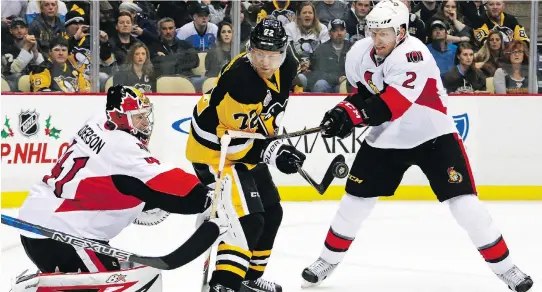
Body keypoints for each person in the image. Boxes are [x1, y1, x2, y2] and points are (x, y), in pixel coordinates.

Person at [300, 1, 533, 292]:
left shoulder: (414, 55)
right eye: (373, 32)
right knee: (354, 203)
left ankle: (507, 268)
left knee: (465, 206)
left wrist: (352, 116)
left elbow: (392, 105)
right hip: (386, 137)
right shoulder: (360, 52)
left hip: (432, 135)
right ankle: (327, 260)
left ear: (400, 31)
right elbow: (363, 95)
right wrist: (341, 111)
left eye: (383, 33)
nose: (376, 40)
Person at [12, 85, 246, 292]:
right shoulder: (122, 146)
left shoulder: (97, 122)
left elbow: (110, 178)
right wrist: (207, 198)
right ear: (120, 118)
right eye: (137, 118)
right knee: (120, 285)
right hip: (65, 235)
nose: (145, 124)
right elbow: (167, 180)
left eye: (145, 116)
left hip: (41, 223)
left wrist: (134, 203)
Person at [186, 18, 303, 292]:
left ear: (283, 53)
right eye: (259, 54)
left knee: (272, 212)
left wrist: (277, 143)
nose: (264, 62)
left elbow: (268, 115)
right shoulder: (241, 82)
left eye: (272, 56)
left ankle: (248, 278)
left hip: (245, 149)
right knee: (248, 220)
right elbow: (232, 142)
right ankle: (224, 285)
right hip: (214, 153)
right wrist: (274, 152)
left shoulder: (287, 67)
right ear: (250, 49)